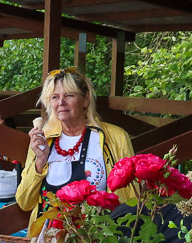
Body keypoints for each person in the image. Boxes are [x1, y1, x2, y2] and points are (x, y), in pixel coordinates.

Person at [17, 67, 135, 229]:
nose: (61, 103)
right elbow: (24, 202)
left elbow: (132, 196)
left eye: (69, 95)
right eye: (55, 97)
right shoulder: (43, 140)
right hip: (50, 242)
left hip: (101, 238)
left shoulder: (115, 137)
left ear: (86, 99)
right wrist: (40, 160)